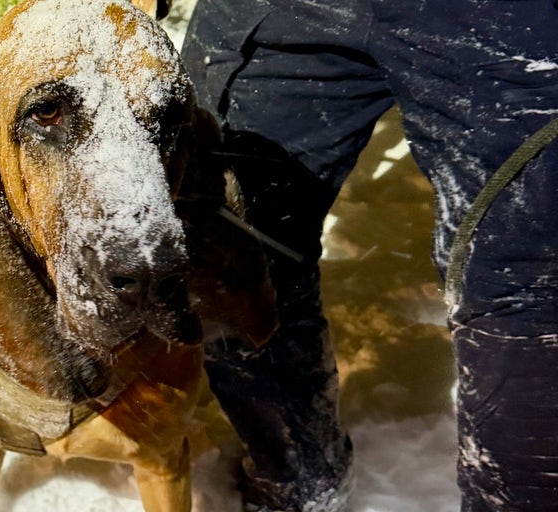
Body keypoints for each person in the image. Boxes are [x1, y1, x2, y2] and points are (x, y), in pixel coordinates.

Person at [173, 0, 558, 510]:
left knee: (529, 292)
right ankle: (297, 483)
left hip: (512, 22)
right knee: (221, 242)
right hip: (281, 9)